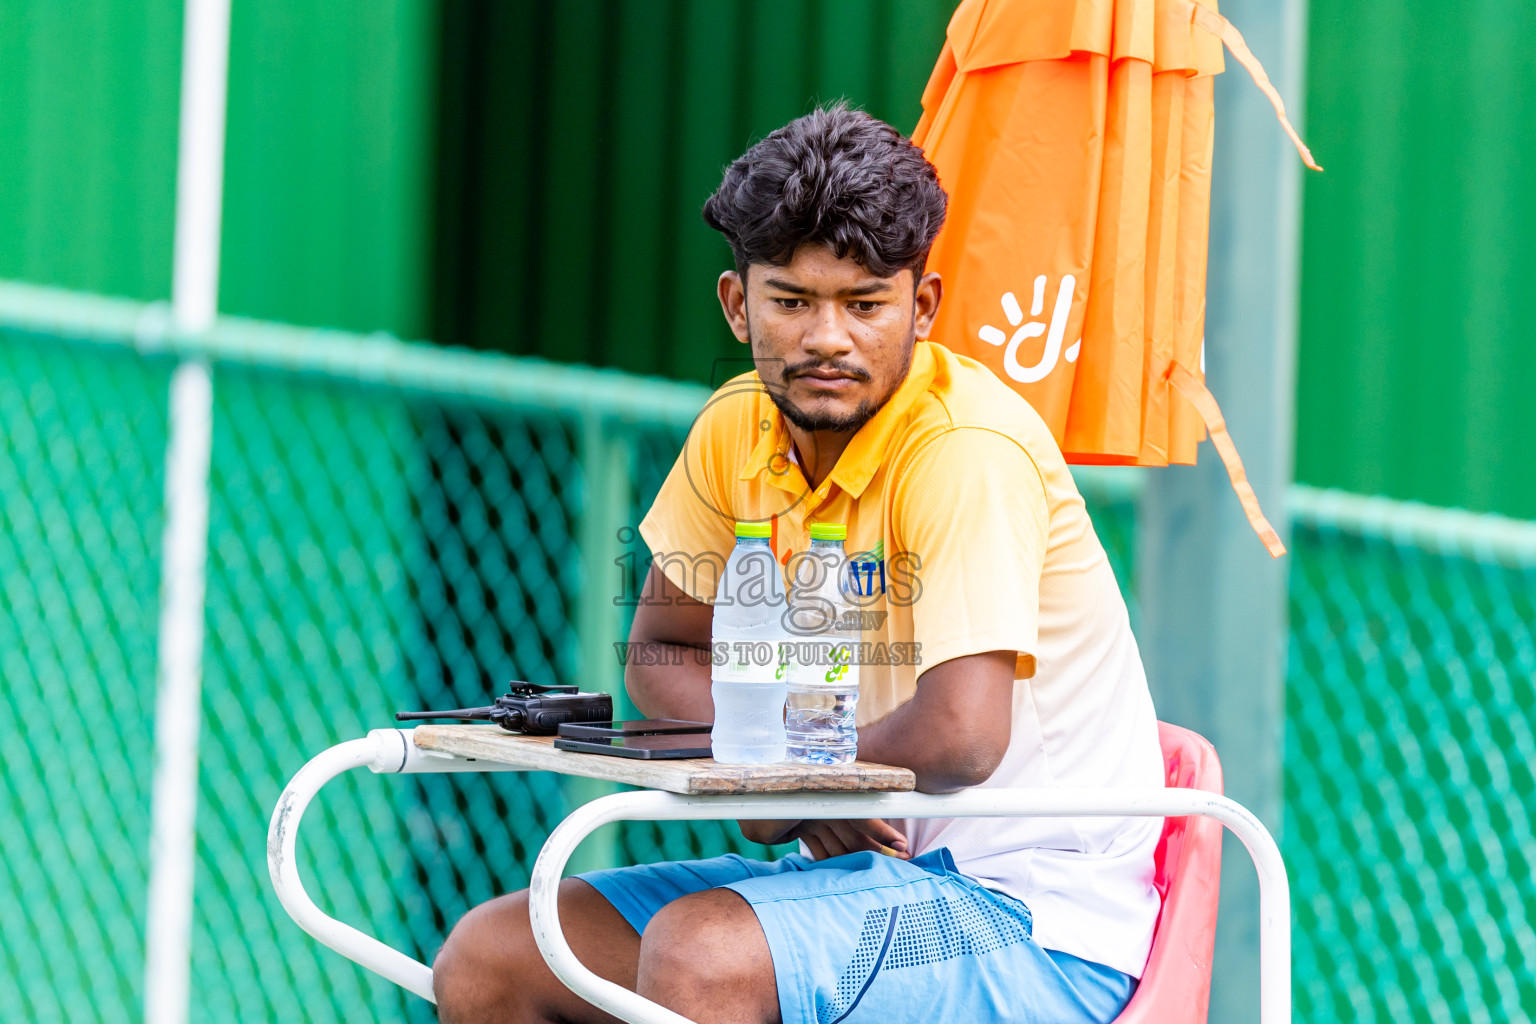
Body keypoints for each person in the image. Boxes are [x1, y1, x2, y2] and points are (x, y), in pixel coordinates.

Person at [432, 104, 1164, 1024]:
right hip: (851, 875)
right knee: (493, 958)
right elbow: (662, 657)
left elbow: (961, 738)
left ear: (922, 306)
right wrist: (801, 784)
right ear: (739, 305)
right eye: (791, 301)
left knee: (702, 958)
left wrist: (797, 780)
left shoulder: (966, 449)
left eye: (865, 305)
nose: (828, 339)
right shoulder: (735, 425)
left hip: (1026, 919)